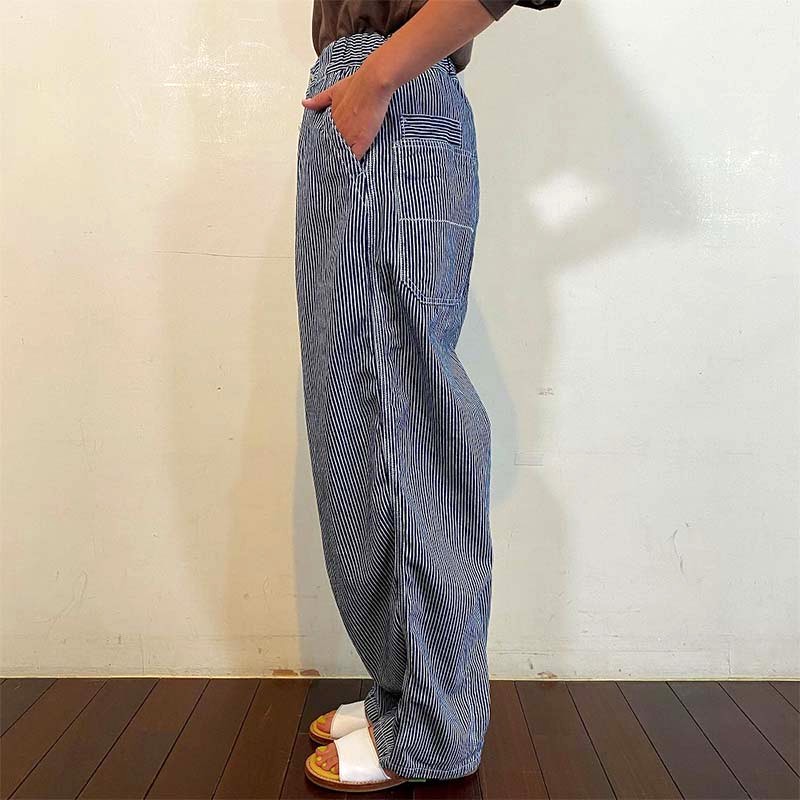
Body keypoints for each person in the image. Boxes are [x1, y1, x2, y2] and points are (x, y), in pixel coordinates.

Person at [295, 0, 561, 792]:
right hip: (374, 102)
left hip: (391, 102)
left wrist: (378, 76)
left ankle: (437, 729)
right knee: (359, 412)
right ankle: (406, 695)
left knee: (399, 420)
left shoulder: (384, 77)